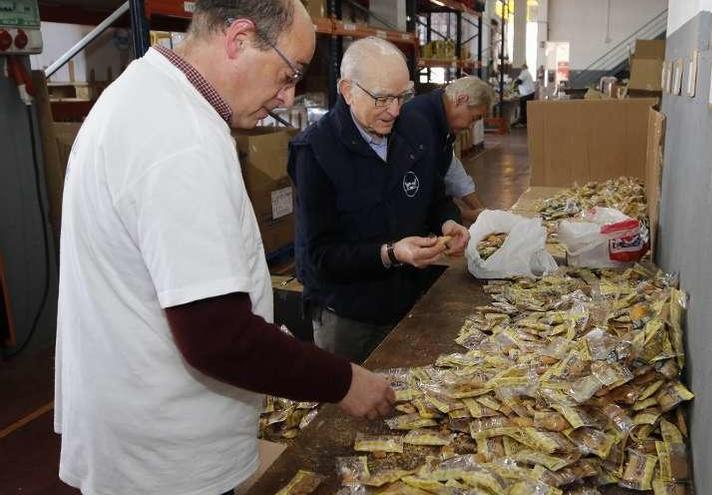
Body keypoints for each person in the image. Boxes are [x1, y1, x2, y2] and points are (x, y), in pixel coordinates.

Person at [54, 2, 395, 494]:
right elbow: (216, 336)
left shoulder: (141, 91)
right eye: (287, 73)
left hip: (134, 425)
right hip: (166, 460)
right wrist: (343, 381)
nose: (286, 96)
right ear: (238, 38)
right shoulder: (181, 139)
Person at [290, 37, 470, 363]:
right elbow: (319, 256)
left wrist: (448, 220)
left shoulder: (412, 131)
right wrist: (390, 253)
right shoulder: (316, 152)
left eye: (403, 96)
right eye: (383, 98)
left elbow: (432, 194)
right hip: (347, 316)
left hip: (407, 301)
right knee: (348, 408)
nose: (395, 110)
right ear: (347, 91)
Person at [402, 76, 495, 224]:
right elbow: (421, 189)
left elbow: (452, 169)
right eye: (474, 118)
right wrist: (462, 214)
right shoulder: (418, 121)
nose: (470, 127)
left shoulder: (441, 122)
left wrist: (481, 212)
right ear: (461, 99)